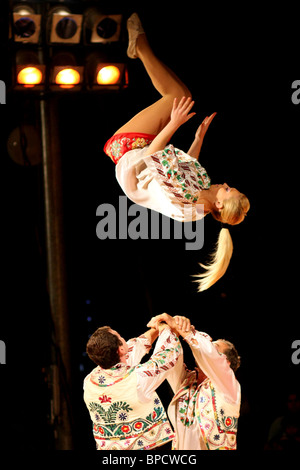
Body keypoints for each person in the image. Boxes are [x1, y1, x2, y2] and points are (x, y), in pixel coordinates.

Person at [103, 13, 250, 291]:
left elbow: (154, 159)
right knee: (181, 94)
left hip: (129, 153)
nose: (226, 184)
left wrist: (173, 124)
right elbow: (183, 168)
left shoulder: (189, 206)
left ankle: (140, 44)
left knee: (175, 98)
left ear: (219, 205)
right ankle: (140, 46)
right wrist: (198, 138)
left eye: (228, 190)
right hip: (141, 152)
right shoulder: (203, 196)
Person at [83, 316, 188, 450]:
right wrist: (166, 328)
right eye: (120, 337)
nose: (123, 339)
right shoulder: (138, 378)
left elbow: (133, 348)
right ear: (120, 349)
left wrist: (157, 328)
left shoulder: (89, 380)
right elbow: (168, 355)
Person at [147, 313, 241, 450]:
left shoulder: (229, 386)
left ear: (225, 363)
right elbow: (169, 362)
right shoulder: (187, 382)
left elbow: (210, 355)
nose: (204, 347)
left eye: (214, 348)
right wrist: (171, 331)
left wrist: (186, 331)